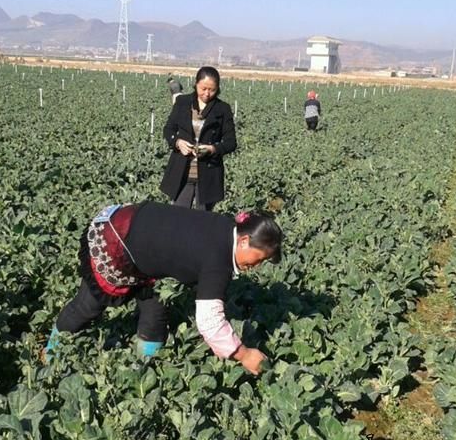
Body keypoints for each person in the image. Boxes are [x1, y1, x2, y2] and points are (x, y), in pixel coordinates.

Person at [46, 202, 283, 375]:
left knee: (155, 313)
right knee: (88, 305)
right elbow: (210, 322)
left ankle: (141, 371)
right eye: (259, 258)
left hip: (140, 232)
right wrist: (244, 354)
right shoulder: (217, 260)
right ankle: (50, 355)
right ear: (243, 241)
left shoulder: (226, 228)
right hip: (116, 238)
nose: (257, 265)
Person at [161, 66, 236, 211]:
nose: (207, 94)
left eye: (212, 90)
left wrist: (212, 149)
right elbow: (168, 129)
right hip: (182, 172)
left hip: (208, 173)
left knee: (203, 222)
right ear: (196, 84)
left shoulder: (223, 109)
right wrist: (177, 142)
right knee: (179, 218)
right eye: (203, 88)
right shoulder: (182, 102)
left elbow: (230, 142)